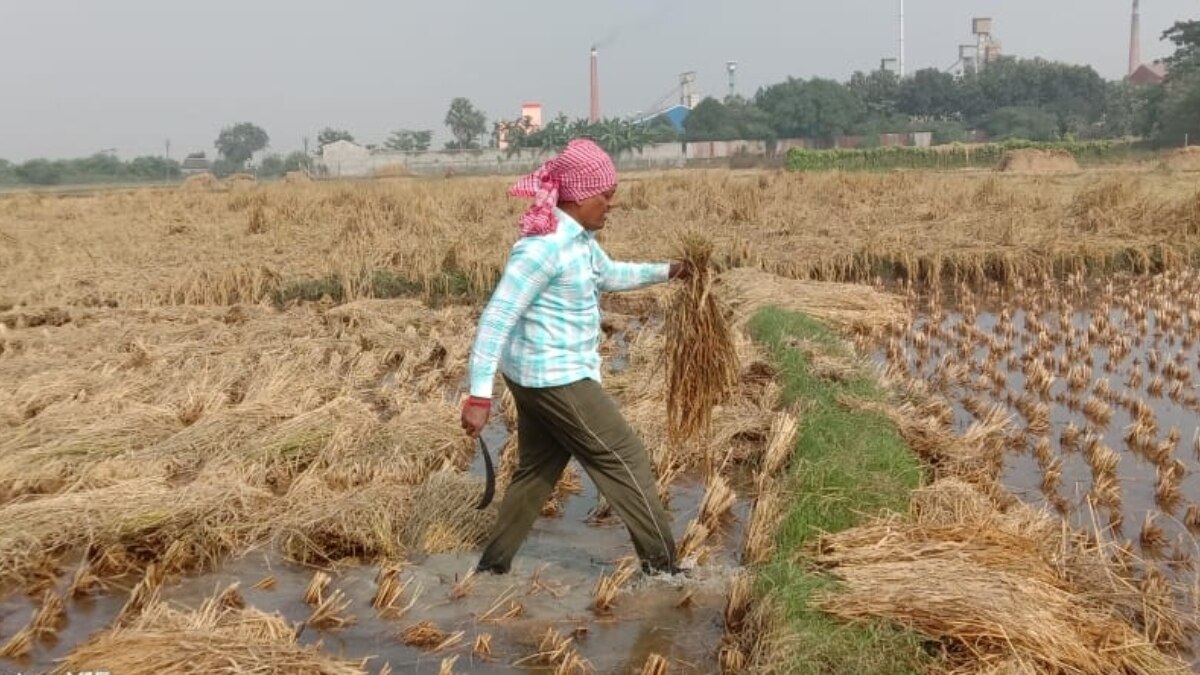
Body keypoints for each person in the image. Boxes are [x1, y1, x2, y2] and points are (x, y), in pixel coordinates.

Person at [460, 138, 689, 576]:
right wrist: (478, 396)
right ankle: (665, 572)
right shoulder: (542, 247)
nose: (611, 205)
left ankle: (491, 569)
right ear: (580, 196)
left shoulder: (577, 240)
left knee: (537, 471)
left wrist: (670, 270)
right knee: (625, 458)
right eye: (606, 196)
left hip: (537, 376)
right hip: (557, 379)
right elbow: (496, 318)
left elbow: (610, 274)